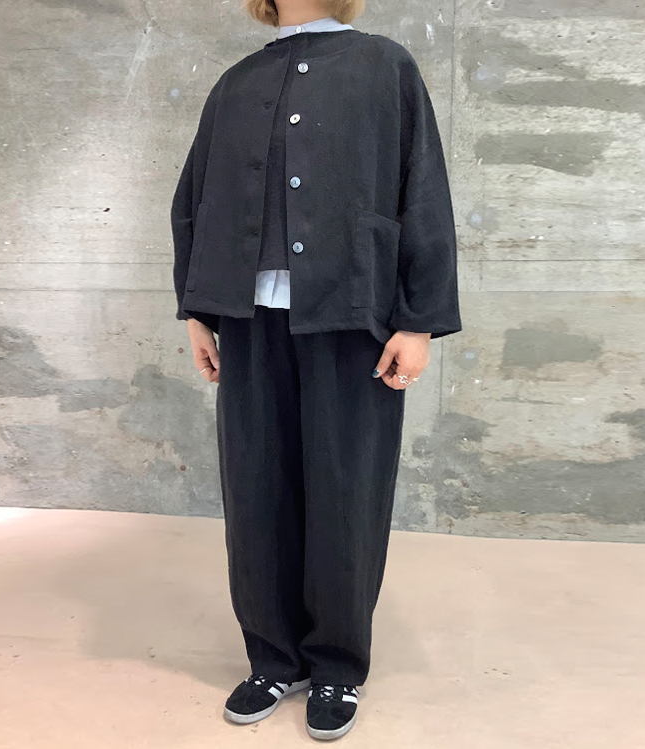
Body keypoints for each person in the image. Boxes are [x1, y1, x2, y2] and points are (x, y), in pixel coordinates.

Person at [170, 0, 462, 740]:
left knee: (346, 489)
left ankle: (337, 664)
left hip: (353, 314)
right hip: (248, 318)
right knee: (256, 489)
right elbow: (196, 197)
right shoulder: (237, 81)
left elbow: (423, 191)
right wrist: (198, 309)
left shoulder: (385, 66)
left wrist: (418, 320)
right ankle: (273, 657)